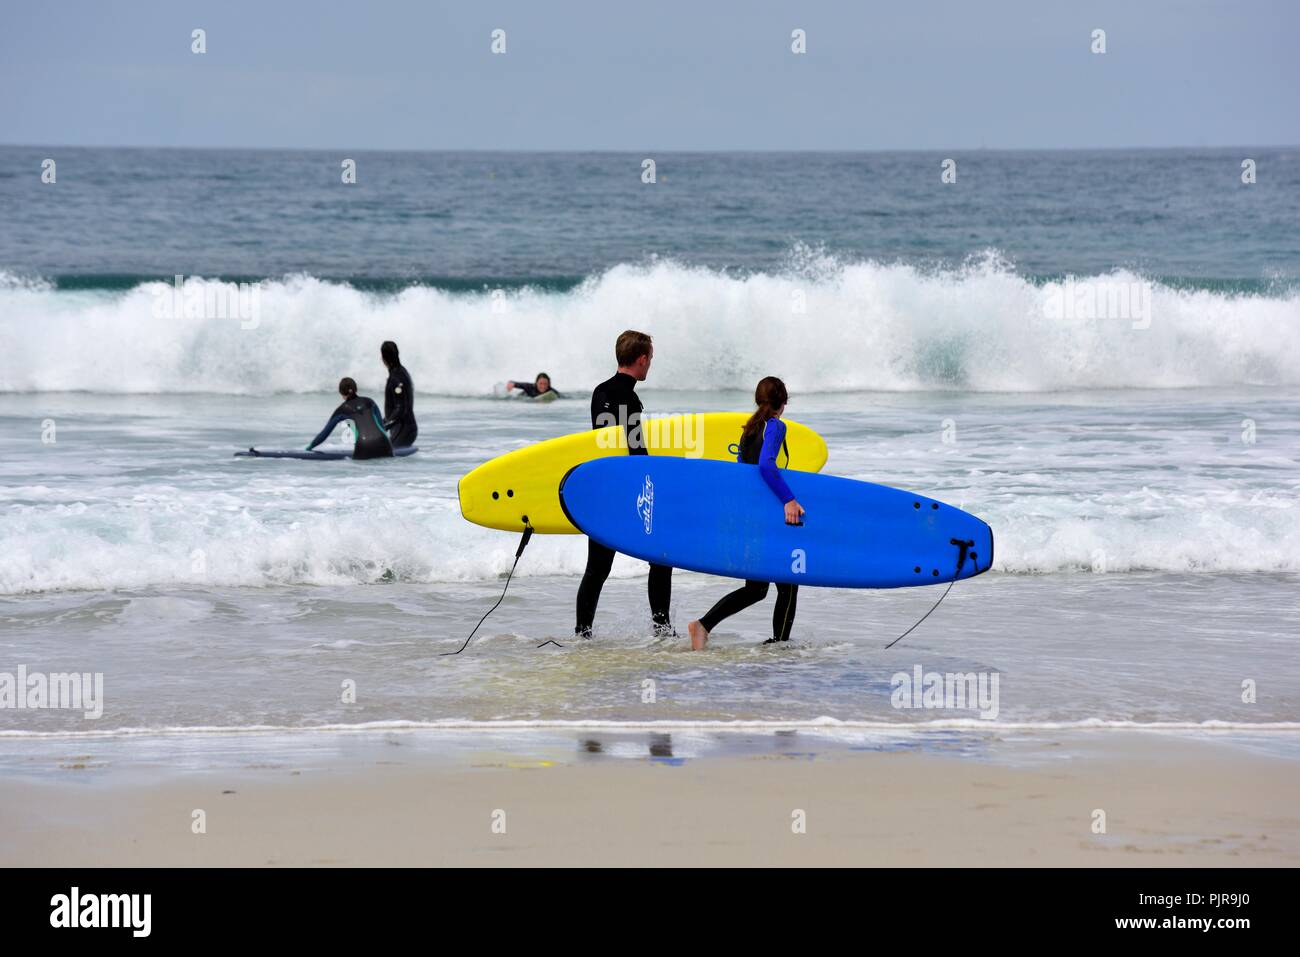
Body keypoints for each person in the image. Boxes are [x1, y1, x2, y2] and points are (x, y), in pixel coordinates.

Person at [687, 377, 805, 651]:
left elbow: (741, 472)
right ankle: (780, 646)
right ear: (783, 403)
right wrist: (788, 500)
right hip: (769, 518)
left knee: (757, 588)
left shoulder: (749, 429)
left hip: (751, 517)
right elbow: (766, 466)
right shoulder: (775, 426)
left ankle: (703, 626)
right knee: (788, 584)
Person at [575, 330, 673, 638]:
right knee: (660, 558)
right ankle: (661, 629)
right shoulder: (628, 399)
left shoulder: (600, 391)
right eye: (650, 360)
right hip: (630, 494)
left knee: (597, 569)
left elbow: (603, 445)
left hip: (604, 490)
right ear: (642, 359)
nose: (650, 365)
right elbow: (635, 450)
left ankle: (582, 634)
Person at [307, 377, 394, 459]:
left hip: (363, 446)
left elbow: (324, 434)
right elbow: (381, 426)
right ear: (356, 389)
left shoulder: (342, 409)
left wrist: (309, 447)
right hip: (384, 443)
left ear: (341, 393)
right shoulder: (369, 402)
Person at [381, 341, 418, 448]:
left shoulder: (397, 378)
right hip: (405, 429)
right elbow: (397, 409)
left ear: (383, 358)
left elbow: (401, 409)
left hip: (404, 430)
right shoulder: (401, 373)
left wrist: (384, 427)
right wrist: (381, 422)